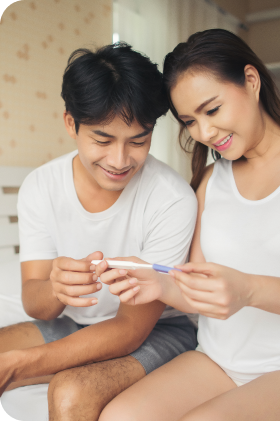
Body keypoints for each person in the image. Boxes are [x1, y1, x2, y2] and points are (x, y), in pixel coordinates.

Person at [95, 29, 280, 421]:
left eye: (212, 110)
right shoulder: (208, 183)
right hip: (220, 362)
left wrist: (250, 290)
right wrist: (155, 283)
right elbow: (198, 290)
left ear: (251, 81)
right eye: (190, 121)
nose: (204, 133)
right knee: (121, 417)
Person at [0, 42, 198, 421]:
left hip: (159, 331)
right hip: (75, 322)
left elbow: (130, 329)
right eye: (103, 140)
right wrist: (55, 289)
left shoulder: (172, 199)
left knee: (71, 393)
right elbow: (36, 304)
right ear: (71, 123)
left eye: (138, 140)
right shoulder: (41, 187)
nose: (120, 161)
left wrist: (21, 364)